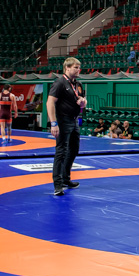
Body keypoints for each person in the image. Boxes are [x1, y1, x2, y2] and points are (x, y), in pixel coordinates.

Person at [47, 57, 87, 196]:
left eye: (79, 67)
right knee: (61, 152)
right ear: (67, 68)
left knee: (74, 149)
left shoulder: (79, 84)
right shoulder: (59, 83)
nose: (78, 69)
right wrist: (53, 123)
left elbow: (82, 100)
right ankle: (57, 185)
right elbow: (50, 102)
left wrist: (83, 103)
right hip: (63, 120)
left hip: (75, 120)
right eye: (76, 67)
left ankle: (65, 178)